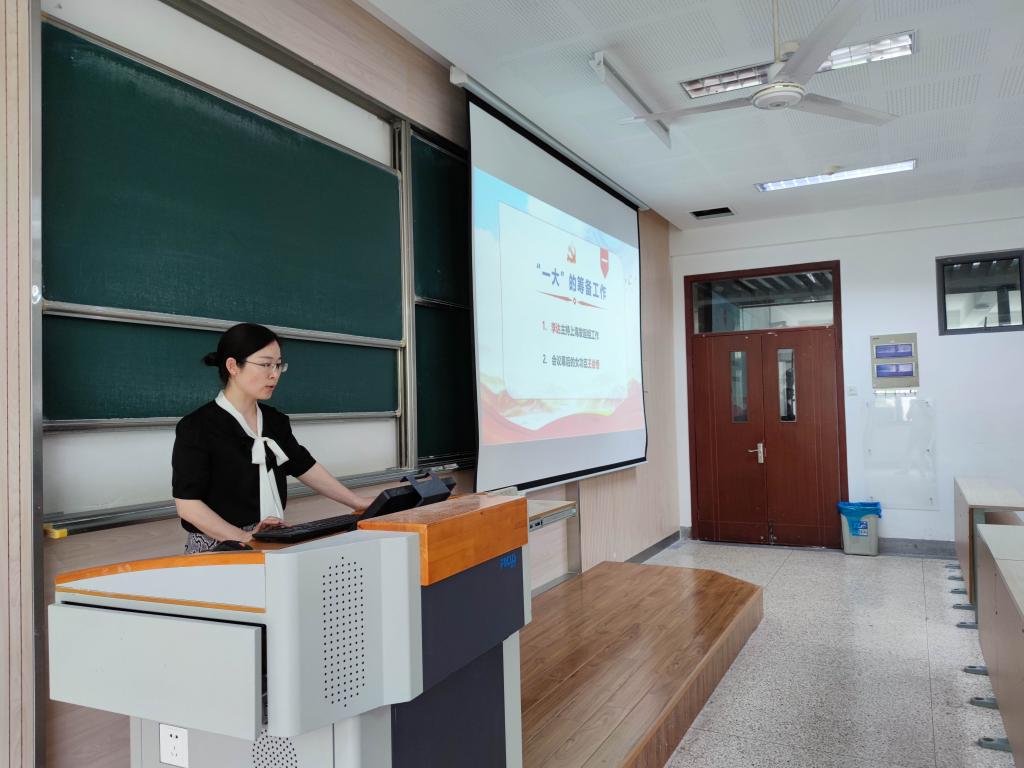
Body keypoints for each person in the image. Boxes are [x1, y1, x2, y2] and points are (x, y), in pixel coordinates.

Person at [172, 323, 374, 553]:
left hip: (271, 539)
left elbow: (304, 465)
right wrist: (244, 537)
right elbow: (187, 505)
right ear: (233, 366)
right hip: (219, 546)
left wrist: (356, 502)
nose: (274, 374)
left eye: (278, 365)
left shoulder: (274, 421)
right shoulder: (197, 427)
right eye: (265, 364)